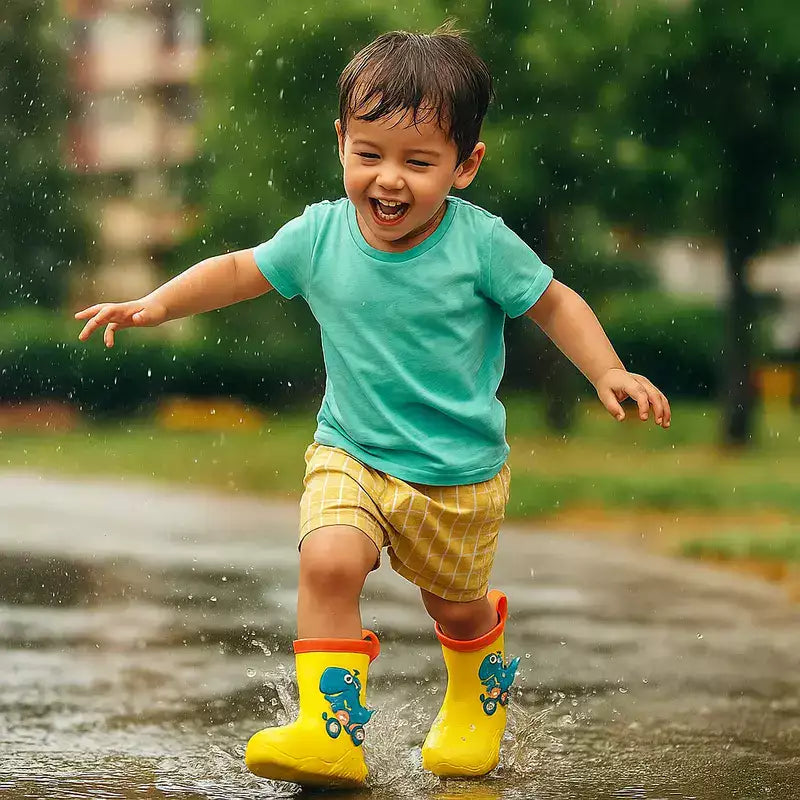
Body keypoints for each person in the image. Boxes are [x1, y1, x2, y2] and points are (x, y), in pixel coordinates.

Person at [75, 23, 671, 789]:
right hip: (349, 449)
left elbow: (552, 304)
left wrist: (607, 370)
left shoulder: (481, 244)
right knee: (328, 562)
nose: (389, 180)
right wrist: (154, 305)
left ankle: (475, 695)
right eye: (369, 154)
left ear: (466, 166)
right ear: (341, 144)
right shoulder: (320, 235)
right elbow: (236, 271)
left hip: (456, 471)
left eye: (419, 162)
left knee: (453, 609)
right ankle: (331, 733)